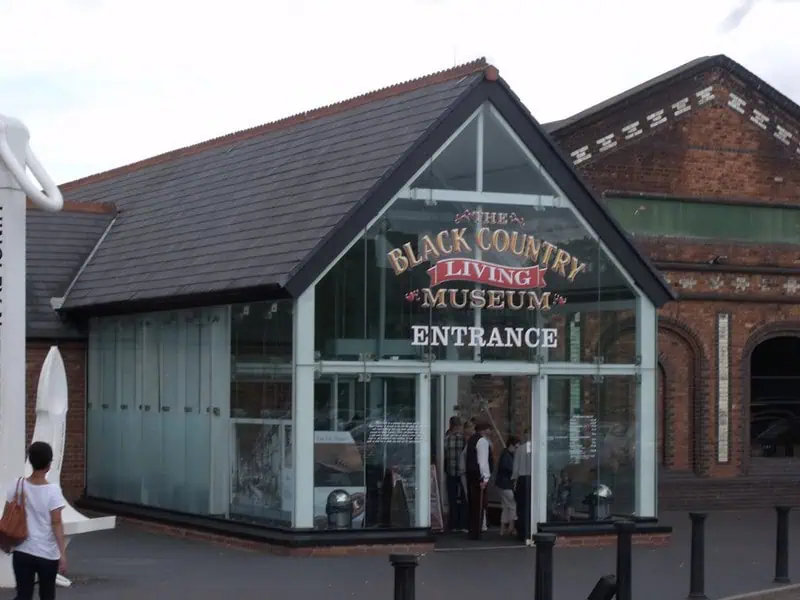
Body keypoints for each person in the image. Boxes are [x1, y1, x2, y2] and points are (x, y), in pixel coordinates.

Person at [4, 441, 67, 600]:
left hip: (22, 549)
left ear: (30, 461)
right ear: (48, 465)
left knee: (23, 595)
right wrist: (62, 553)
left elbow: (6, 514)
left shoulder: (16, 485)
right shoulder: (53, 491)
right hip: (47, 553)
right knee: (47, 595)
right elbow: (56, 523)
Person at [464, 422, 492, 540]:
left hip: (470, 474)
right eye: (489, 430)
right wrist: (485, 477)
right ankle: (477, 531)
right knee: (479, 503)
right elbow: (483, 461)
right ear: (484, 430)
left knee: (473, 503)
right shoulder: (482, 442)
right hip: (478, 476)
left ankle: (473, 529)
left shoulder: (471, 440)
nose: (490, 432)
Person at [443, 416, 467, 532]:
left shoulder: (445, 437)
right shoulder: (463, 438)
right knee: (463, 498)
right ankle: (462, 523)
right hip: (462, 471)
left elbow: (444, 453)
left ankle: (452, 524)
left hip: (450, 470)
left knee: (452, 498)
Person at [496, 436, 520, 536]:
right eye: (516, 447)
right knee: (513, 505)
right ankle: (511, 526)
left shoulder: (504, 454)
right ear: (511, 446)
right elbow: (510, 469)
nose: (517, 450)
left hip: (501, 484)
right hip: (506, 484)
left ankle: (502, 529)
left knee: (506, 507)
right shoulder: (508, 456)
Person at [512, 427, 532, 540]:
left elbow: (515, 467)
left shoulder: (520, 449)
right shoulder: (535, 448)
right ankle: (529, 529)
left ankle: (522, 531)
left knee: (521, 506)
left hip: (521, 479)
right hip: (531, 478)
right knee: (530, 505)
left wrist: (514, 480)